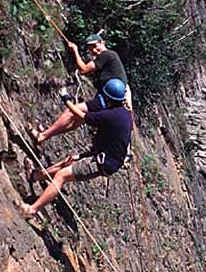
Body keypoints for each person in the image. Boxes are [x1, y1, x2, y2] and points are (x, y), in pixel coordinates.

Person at [18, 79, 133, 219]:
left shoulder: (112, 115)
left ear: (109, 98)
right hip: (104, 156)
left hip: (102, 161)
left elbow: (83, 116)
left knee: (62, 176)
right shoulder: (124, 113)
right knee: (68, 162)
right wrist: (81, 156)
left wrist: (66, 99)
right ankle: (35, 176)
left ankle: (31, 210)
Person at [30, 31, 132, 145]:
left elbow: (83, 70)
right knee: (78, 121)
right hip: (110, 101)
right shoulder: (109, 57)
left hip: (106, 99)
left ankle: (43, 135)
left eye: (95, 45)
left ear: (102, 43)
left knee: (71, 111)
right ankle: (45, 135)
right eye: (90, 48)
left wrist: (75, 50)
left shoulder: (107, 54)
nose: (94, 50)